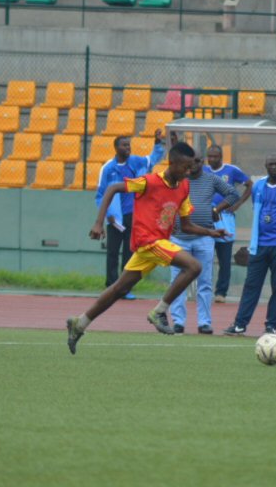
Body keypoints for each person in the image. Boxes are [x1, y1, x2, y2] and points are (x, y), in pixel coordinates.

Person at [66, 142, 227, 354]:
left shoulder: (183, 187)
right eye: (186, 167)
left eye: (192, 168)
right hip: (148, 241)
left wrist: (210, 232)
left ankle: (80, 323)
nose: (189, 172)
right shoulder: (149, 182)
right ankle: (159, 312)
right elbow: (113, 188)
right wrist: (98, 222)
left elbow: (186, 224)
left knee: (119, 289)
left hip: (156, 244)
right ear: (173, 163)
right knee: (194, 267)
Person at [223, 153, 276, 336]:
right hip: (259, 245)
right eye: (270, 164)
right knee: (251, 285)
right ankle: (240, 324)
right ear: (266, 166)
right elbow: (257, 211)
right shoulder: (258, 187)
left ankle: (271, 325)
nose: (274, 167)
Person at [169, 153, 239, 335]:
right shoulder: (178, 180)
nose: (193, 164)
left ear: (203, 162)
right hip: (179, 238)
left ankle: (204, 322)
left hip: (204, 238)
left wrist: (217, 208)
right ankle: (178, 321)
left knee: (205, 282)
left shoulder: (212, 179)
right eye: (190, 161)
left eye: (198, 161)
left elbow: (233, 194)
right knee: (177, 281)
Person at [95, 130, 168, 300]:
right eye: (124, 145)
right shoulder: (107, 168)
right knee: (112, 253)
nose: (128, 148)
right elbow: (100, 195)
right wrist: (107, 217)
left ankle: (124, 288)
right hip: (115, 219)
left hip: (134, 216)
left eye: (129, 145)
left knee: (129, 253)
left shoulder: (136, 162)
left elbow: (152, 159)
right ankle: (111, 286)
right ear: (116, 147)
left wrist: (157, 144)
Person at [204, 144, 252, 304]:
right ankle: (204, 290)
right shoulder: (203, 170)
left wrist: (237, 204)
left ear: (221, 157)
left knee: (224, 260)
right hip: (206, 217)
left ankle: (221, 293)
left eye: (215, 156)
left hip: (225, 218)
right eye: (209, 156)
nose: (212, 159)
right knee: (206, 257)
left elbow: (250, 185)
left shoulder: (231, 170)